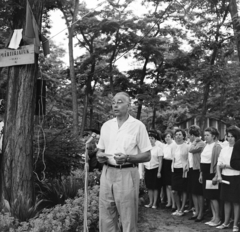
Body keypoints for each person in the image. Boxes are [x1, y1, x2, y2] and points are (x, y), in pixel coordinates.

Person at [96, 92, 152, 232]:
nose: (115, 105)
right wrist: (99, 156)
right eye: (113, 102)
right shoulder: (106, 126)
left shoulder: (138, 126)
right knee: (106, 216)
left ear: (129, 105)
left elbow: (147, 155)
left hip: (127, 173)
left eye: (120, 102)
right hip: (107, 173)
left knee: (128, 217)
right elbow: (99, 151)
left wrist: (127, 157)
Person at [216, 126, 240, 231]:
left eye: (232, 136)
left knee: (235, 201)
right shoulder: (224, 149)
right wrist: (219, 176)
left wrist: (226, 166)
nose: (230, 138)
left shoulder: (238, 148)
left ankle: (235, 224)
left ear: (236, 137)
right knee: (226, 201)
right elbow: (218, 164)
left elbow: (237, 165)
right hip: (225, 177)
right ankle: (225, 222)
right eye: (228, 136)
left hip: (236, 177)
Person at [199, 127, 222, 227]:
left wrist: (216, 175)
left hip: (212, 173)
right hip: (205, 173)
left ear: (213, 136)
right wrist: (201, 174)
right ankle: (213, 217)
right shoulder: (205, 145)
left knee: (213, 197)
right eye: (205, 135)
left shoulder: (217, 146)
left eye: (207, 135)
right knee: (209, 196)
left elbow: (219, 162)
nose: (205, 137)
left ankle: (218, 218)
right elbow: (202, 160)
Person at [188, 125, 205, 222]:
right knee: (193, 192)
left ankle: (201, 213)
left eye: (189, 135)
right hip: (191, 169)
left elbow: (191, 150)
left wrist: (194, 141)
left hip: (198, 170)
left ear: (193, 135)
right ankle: (196, 212)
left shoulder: (201, 143)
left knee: (199, 193)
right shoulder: (193, 143)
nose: (188, 138)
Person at [171, 129, 189, 216]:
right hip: (175, 169)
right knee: (174, 190)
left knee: (183, 190)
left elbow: (188, 159)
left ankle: (182, 209)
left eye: (180, 134)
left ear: (183, 136)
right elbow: (172, 158)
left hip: (183, 170)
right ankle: (178, 208)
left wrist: (186, 167)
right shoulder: (173, 146)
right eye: (176, 134)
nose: (178, 136)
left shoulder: (187, 146)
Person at [143, 131, 163, 209]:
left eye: (152, 138)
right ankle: (150, 202)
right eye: (149, 138)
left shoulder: (158, 149)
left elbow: (160, 161)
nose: (150, 140)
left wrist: (159, 172)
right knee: (149, 187)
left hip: (155, 169)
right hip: (148, 169)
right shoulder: (146, 149)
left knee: (155, 187)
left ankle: (155, 203)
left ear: (155, 140)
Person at [161, 129, 176, 211]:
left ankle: (174, 204)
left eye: (168, 136)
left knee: (171, 185)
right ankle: (169, 202)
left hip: (171, 164)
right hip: (165, 164)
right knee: (167, 185)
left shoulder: (173, 145)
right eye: (165, 137)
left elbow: (174, 157)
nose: (167, 138)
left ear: (171, 137)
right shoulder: (165, 146)